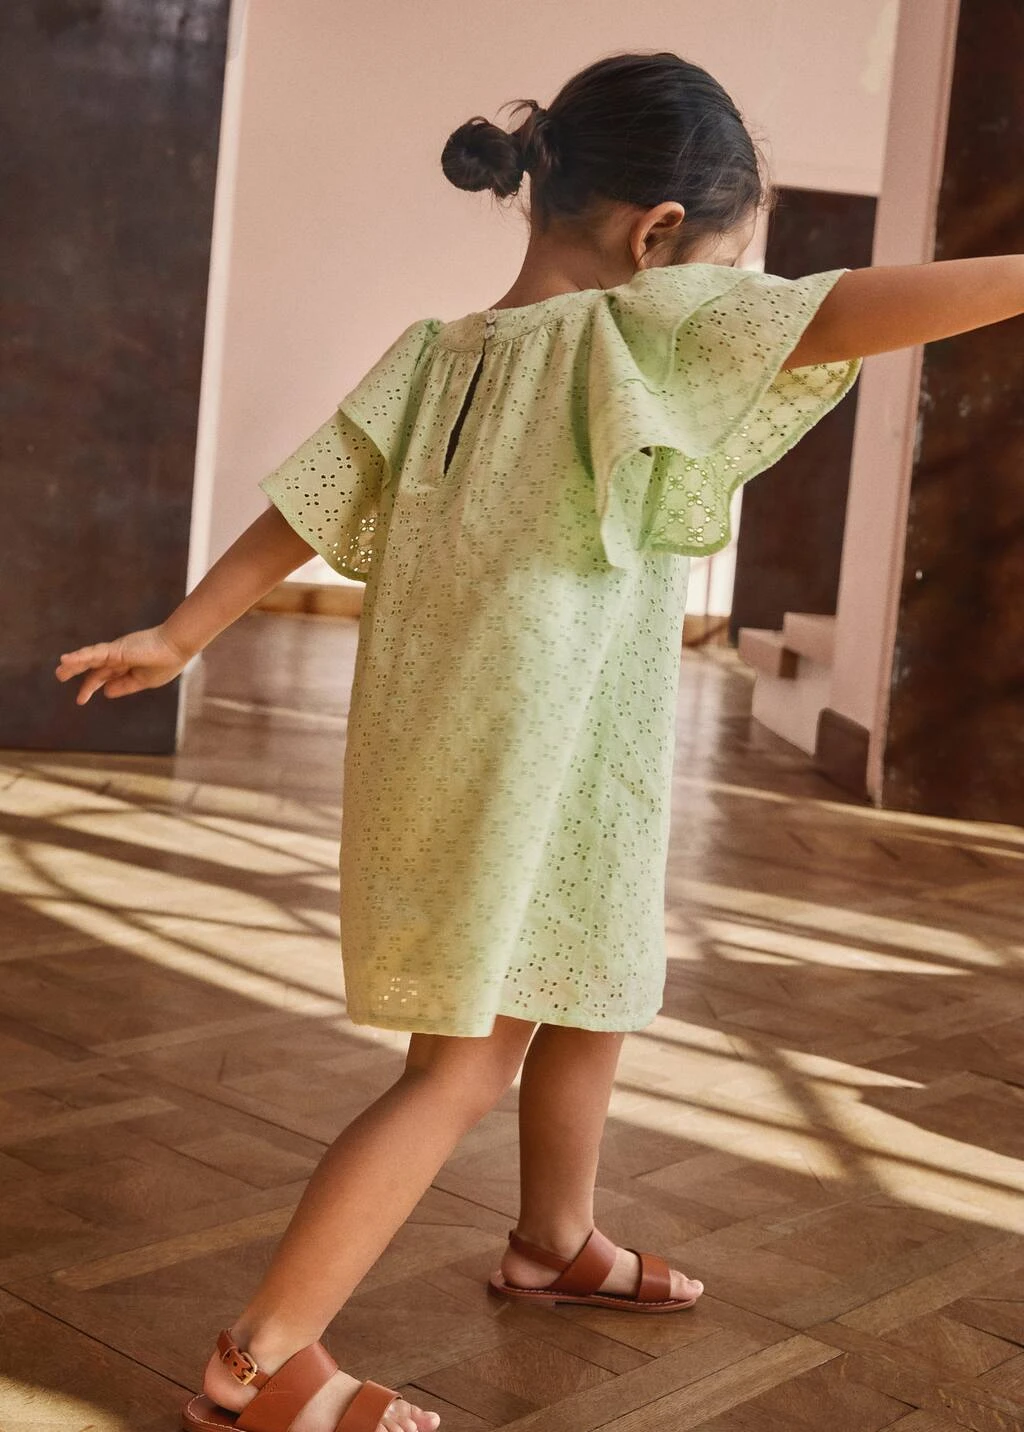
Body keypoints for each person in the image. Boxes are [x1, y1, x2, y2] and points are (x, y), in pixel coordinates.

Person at [55, 49, 1024, 1432]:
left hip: (532, 752)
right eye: (726, 270)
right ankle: (258, 1360)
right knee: (459, 1066)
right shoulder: (637, 331)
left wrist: (184, 631)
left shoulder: (437, 352)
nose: (736, 305)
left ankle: (554, 1241)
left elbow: (311, 500)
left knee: (595, 978)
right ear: (660, 238)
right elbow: (852, 310)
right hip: (517, 766)